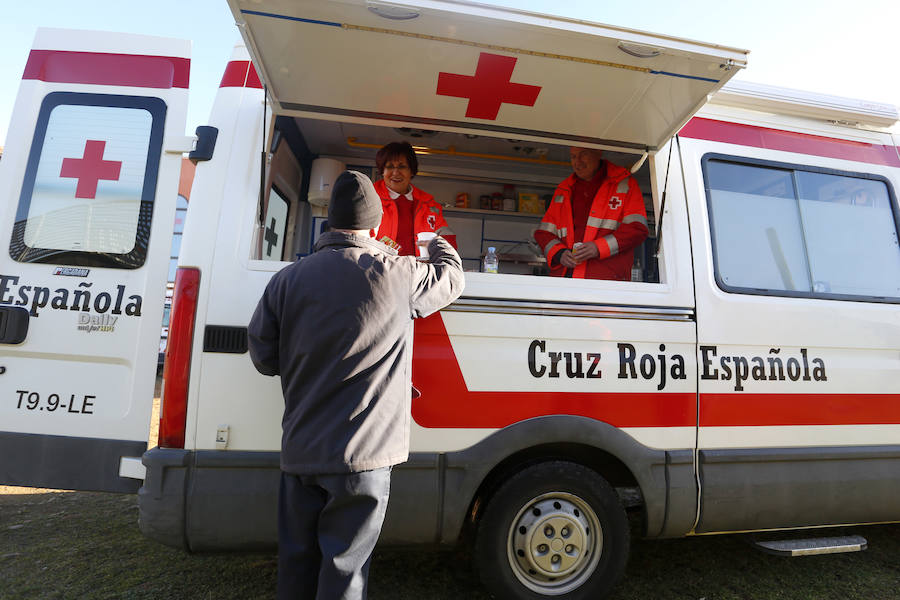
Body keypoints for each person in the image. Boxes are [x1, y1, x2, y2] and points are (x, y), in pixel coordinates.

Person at [247, 171, 464, 600]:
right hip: (363, 459)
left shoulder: (286, 280)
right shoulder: (400, 274)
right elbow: (452, 278)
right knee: (345, 570)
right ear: (376, 226)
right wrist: (434, 240)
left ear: (329, 222)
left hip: (302, 450)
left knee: (297, 562)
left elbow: (263, 356)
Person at [534, 147, 649, 280]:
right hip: (565, 282)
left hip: (605, 282)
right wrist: (559, 253)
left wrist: (598, 247)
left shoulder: (624, 184)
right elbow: (543, 233)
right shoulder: (564, 190)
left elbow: (637, 229)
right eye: (573, 156)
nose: (577, 162)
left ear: (598, 153)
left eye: (583, 155)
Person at [374, 141, 457, 255]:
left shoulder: (428, 204)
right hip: (379, 269)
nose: (395, 172)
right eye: (389, 167)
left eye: (402, 167)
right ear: (382, 171)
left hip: (419, 270)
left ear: (411, 171)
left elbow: (449, 241)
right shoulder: (369, 199)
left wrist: (436, 247)